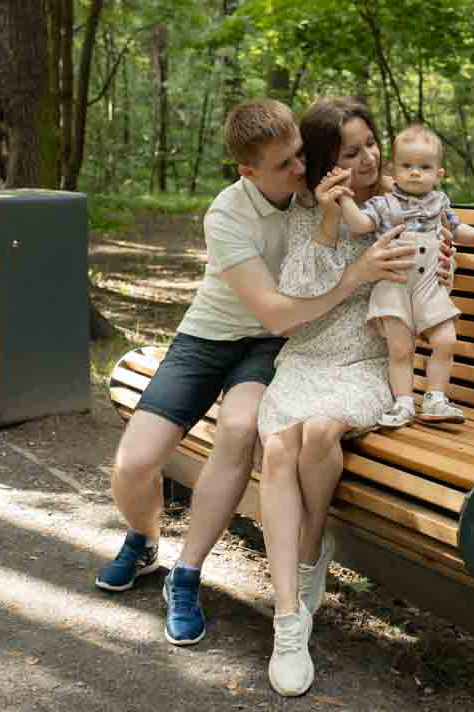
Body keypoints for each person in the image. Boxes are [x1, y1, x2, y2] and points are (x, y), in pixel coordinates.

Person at [95, 98, 424, 651]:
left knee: (240, 430)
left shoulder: (315, 191)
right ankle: (145, 538)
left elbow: (393, 198)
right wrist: (353, 276)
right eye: (284, 164)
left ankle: (187, 575)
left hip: (268, 346)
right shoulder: (228, 215)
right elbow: (275, 308)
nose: (299, 170)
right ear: (249, 171)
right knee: (135, 463)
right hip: (210, 337)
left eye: (300, 156)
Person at [255, 99, 454, 698]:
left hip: (367, 367)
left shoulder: (404, 203)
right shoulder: (311, 212)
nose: (367, 158)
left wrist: (445, 257)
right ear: (325, 162)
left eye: (372, 144)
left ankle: (311, 550)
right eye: (350, 151)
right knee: (283, 445)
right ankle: (289, 619)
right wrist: (329, 227)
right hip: (307, 362)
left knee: (316, 434)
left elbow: (435, 266)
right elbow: (295, 312)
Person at [335, 123, 474, 428]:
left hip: (428, 287)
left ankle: (436, 397)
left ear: (439, 174)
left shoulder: (441, 204)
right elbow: (358, 224)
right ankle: (403, 402)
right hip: (395, 286)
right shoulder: (383, 205)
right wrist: (343, 198)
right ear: (393, 169)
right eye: (407, 165)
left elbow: (456, 228)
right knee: (400, 349)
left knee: (446, 339)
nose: (414, 172)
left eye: (424, 167)